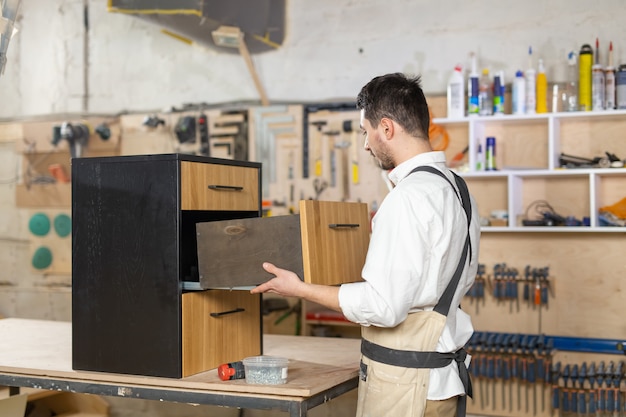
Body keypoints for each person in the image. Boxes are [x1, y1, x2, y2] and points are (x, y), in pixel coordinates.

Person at [251, 73, 481, 417]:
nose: (366, 145)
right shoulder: (458, 190)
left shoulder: (407, 199)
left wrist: (300, 289)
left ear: (386, 128)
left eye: (365, 132)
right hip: (439, 382)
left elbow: (384, 307)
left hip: (408, 388)